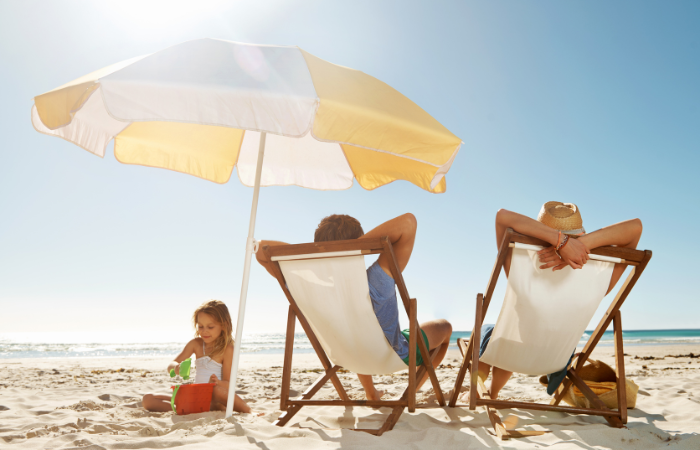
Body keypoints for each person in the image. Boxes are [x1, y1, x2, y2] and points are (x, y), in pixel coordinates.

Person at [255, 213, 453, 401]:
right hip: (393, 355)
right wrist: (356, 247)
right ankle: (409, 394)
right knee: (445, 327)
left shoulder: (305, 286)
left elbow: (261, 249)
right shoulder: (377, 281)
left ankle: (371, 393)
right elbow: (408, 223)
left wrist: (317, 255)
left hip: (346, 355)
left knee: (353, 331)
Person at [477, 201, 643, 399]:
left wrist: (561, 242)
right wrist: (579, 245)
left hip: (511, 354)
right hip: (555, 360)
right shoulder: (600, 278)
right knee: (513, 339)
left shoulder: (520, 266)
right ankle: (491, 391)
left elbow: (502, 217)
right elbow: (636, 228)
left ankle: (489, 391)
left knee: (492, 332)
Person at [141, 300, 252, 413]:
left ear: (223, 326)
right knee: (148, 399)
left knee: (216, 390)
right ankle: (188, 408)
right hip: (196, 397)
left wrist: (217, 382)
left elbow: (229, 384)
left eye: (210, 327)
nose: (204, 331)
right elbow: (170, 366)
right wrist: (176, 368)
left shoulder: (227, 349)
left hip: (215, 398)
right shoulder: (195, 344)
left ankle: (249, 411)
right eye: (200, 326)